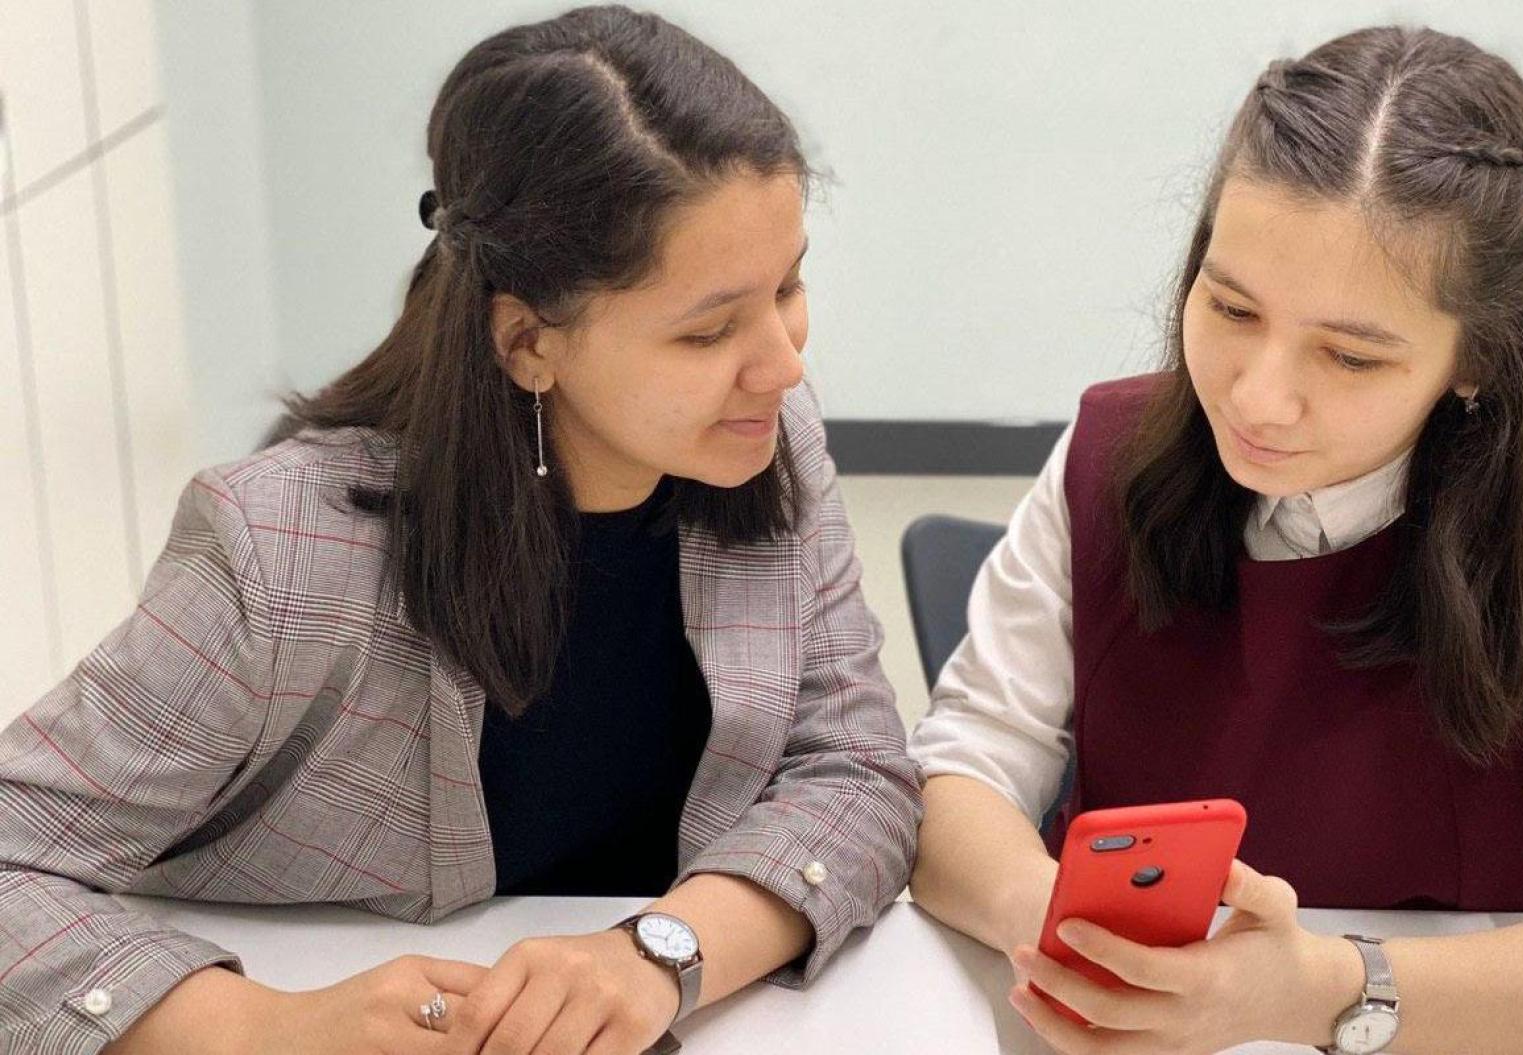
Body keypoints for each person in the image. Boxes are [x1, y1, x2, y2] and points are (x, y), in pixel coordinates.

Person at [0, 7, 919, 1054]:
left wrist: (661, 950)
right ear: (529, 340)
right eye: (708, 329)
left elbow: (855, 769)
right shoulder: (278, 549)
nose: (783, 362)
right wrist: (266, 1024)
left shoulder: (765, 441)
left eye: (788, 286)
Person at [908, 26, 1523, 1055]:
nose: (1258, 395)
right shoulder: (1106, 453)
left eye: (1351, 356)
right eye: (1228, 305)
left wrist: (1323, 987)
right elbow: (953, 771)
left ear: (1475, 360)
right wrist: (1063, 934)